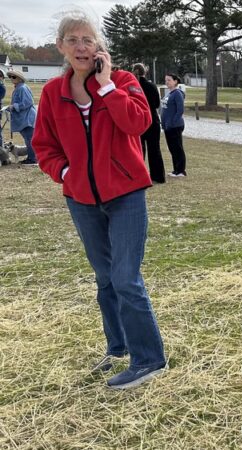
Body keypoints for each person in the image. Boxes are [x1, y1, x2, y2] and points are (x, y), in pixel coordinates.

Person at [32, 10, 167, 389]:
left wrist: (107, 87)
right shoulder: (52, 94)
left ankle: (149, 359)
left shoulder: (123, 82)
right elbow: (43, 145)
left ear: (99, 48)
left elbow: (139, 124)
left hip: (125, 195)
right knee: (106, 279)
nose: (81, 47)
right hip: (81, 199)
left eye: (88, 40)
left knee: (126, 278)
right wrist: (64, 173)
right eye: (72, 40)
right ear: (61, 46)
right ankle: (118, 348)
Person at [132, 63, 165, 183]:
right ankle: (158, 176)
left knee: (139, 150)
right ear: (145, 72)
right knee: (155, 149)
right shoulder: (151, 86)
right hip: (152, 120)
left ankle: (139, 176)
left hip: (138, 120)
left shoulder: (132, 87)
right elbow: (156, 104)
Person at [7, 69, 37, 165]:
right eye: (10, 76)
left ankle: (33, 159)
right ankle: (31, 158)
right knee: (28, 139)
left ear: (20, 79)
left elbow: (28, 102)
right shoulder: (19, 87)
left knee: (30, 139)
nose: (11, 78)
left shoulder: (22, 88)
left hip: (27, 118)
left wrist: (14, 106)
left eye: (14, 77)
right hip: (25, 118)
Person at [161, 73, 186, 177]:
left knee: (177, 148)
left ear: (175, 81)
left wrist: (173, 122)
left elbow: (180, 110)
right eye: (166, 80)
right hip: (167, 126)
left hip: (175, 126)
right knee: (172, 148)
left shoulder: (177, 93)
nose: (167, 82)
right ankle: (175, 169)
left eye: (169, 80)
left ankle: (181, 171)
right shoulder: (169, 93)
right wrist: (163, 123)